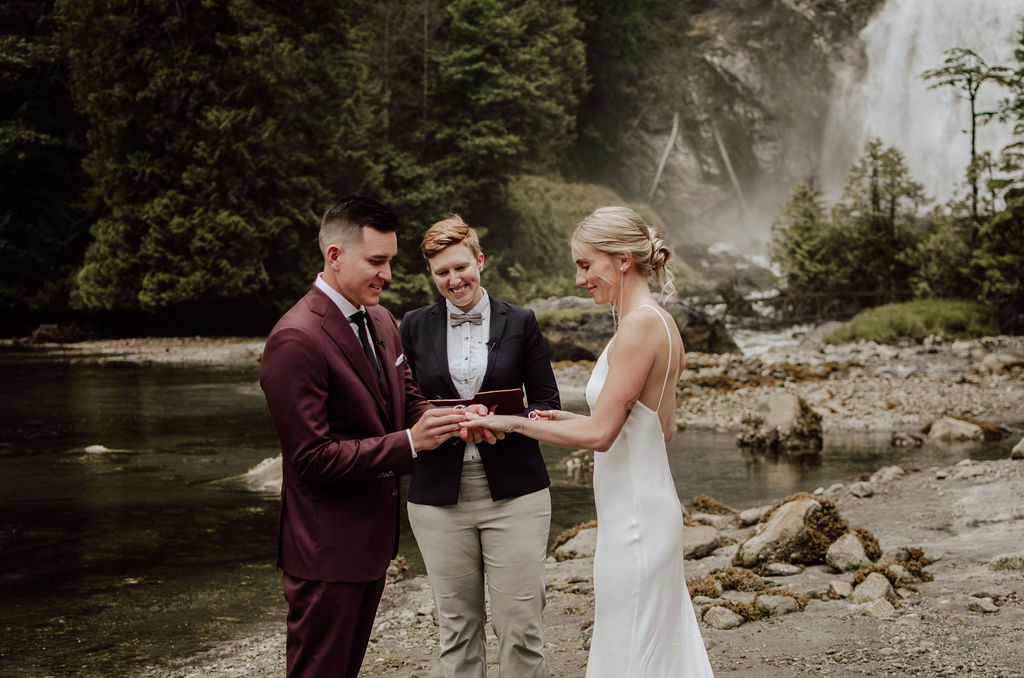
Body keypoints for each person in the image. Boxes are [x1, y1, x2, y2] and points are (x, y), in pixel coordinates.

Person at [463, 206, 715, 677]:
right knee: (650, 644)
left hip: (635, 521)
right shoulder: (659, 322)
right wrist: (554, 416)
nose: (580, 280)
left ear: (622, 259)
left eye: (585, 265)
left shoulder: (638, 326)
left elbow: (602, 435)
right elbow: (656, 429)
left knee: (630, 645)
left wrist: (513, 424)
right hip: (646, 505)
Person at [260, 196, 494, 678]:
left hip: (371, 543)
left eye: (389, 260)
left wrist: (455, 417)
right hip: (323, 550)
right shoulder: (295, 338)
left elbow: (408, 402)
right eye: (376, 261)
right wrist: (409, 443)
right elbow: (311, 459)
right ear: (334, 256)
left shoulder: (384, 321)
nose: (387, 273)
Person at [399, 215, 560, 678]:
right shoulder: (411, 325)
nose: (454, 280)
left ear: (480, 261)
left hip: (518, 496)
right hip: (437, 499)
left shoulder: (522, 321)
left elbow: (546, 404)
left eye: (461, 267)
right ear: (431, 276)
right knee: (457, 631)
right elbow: (402, 406)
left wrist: (508, 422)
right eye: (441, 273)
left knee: (521, 628)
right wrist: (435, 422)